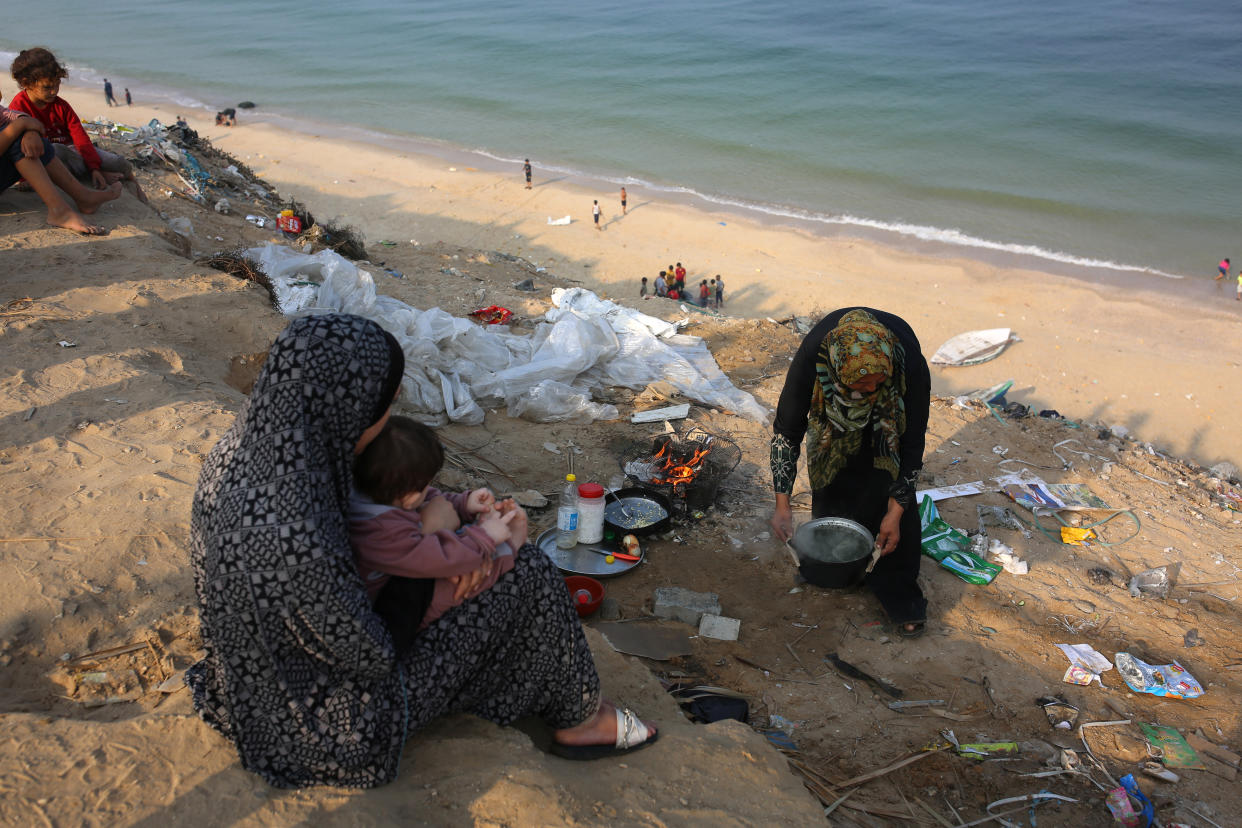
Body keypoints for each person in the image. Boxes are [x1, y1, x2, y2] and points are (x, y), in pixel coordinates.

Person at [187, 314, 657, 788]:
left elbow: (382, 512)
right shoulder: (292, 523)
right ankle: (580, 719)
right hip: (323, 722)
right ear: (348, 403)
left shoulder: (261, 449)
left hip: (245, 687)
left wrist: (443, 526)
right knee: (529, 569)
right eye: (383, 407)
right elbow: (373, 652)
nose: (386, 420)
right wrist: (435, 568)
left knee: (492, 564)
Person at [769, 308, 931, 638]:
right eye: (858, 382)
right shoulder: (814, 359)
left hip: (892, 412)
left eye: (875, 382)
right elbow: (787, 432)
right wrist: (782, 506)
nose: (867, 391)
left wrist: (895, 514)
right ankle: (835, 566)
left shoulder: (908, 367)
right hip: (834, 405)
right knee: (834, 461)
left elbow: (912, 447)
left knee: (887, 470)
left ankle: (898, 591)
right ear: (837, 370)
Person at [350, 415, 518, 651]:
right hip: (394, 607)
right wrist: (485, 537)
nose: (429, 489)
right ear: (408, 496)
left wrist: (464, 504)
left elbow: (427, 501)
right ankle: (508, 557)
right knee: (463, 577)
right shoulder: (380, 532)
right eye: (426, 484)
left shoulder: (379, 491)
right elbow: (441, 559)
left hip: (407, 571)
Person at [10, 48, 146, 202]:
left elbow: (80, 137)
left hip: (75, 152)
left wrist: (94, 166)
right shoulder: (18, 107)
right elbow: (17, 148)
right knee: (55, 150)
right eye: (47, 87)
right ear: (26, 83)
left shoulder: (62, 106)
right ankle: (99, 173)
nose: (54, 91)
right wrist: (23, 178)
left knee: (119, 163)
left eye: (57, 85)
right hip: (50, 159)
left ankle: (130, 181)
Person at [1, 91, 119, 234]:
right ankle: (60, 211)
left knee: (34, 142)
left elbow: (21, 118)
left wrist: (29, 131)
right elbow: (18, 124)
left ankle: (83, 197)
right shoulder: (21, 100)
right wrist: (20, 126)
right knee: (18, 142)